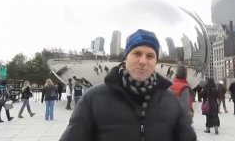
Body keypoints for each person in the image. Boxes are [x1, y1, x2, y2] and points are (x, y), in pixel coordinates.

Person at [60, 29, 197, 141]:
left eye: (150, 56)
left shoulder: (172, 102)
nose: (143, 61)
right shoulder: (92, 99)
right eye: (137, 53)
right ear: (126, 57)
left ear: (155, 62)